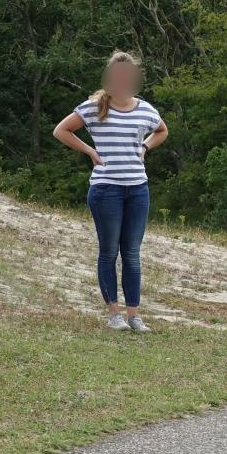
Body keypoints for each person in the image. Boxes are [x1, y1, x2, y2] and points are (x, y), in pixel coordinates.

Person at [51, 51, 169, 332]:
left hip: (138, 188)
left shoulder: (145, 109)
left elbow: (162, 131)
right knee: (109, 252)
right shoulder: (93, 107)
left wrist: (145, 147)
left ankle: (134, 315)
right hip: (106, 189)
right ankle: (114, 313)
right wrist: (90, 151)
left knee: (132, 253)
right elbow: (61, 130)